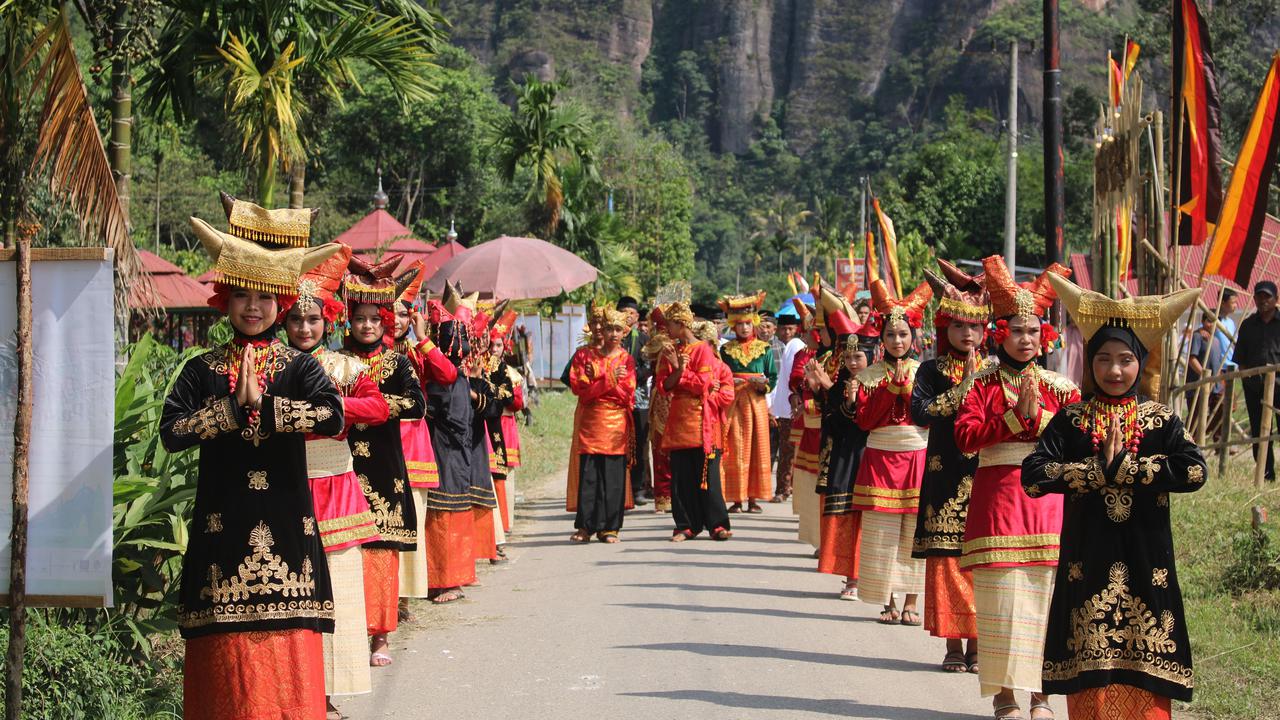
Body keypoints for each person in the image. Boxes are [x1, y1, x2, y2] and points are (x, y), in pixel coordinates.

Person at [162, 214, 345, 720]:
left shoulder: (300, 366)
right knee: (226, 652)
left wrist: (266, 409)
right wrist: (225, 411)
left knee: (290, 644)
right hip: (223, 530)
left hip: (287, 525)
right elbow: (171, 432)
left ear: (281, 302)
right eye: (243, 294)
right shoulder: (201, 369)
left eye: (265, 296)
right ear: (225, 298)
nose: (253, 306)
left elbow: (333, 416)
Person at [1024, 276, 1205, 720]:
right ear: (1089, 363)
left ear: (1141, 363)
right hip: (1087, 556)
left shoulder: (1161, 420)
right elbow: (1032, 475)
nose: (1114, 370)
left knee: (1144, 658)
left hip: (1147, 558)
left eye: (1125, 359)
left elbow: (1195, 470)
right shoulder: (1071, 420)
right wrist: (1091, 472)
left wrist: (1129, 468)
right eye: (1103, 359)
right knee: (1088, 662)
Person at [953, 256, 1078, 719]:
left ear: (1044, 335)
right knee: (1001, 602)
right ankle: (1005, 694)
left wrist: (1039, 419)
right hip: (996, 503)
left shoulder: (1062, 388)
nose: (1026, 339)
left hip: (1047, 505)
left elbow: (1079, 440)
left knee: (1045, 603)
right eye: (1017, 331)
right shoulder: (980, 383)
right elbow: (964, 439)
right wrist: (1010, 419)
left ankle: (1041, 697)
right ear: (999, 333)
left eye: (1033, 331)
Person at [282, 244, 389, 714]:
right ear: (283, 322)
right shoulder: (273, 367)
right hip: (287, 488)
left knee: (340, 591)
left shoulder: (346, 367)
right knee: (294, 591)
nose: (305, 328)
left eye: (313, 321)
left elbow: (381, 407)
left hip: (336, 487)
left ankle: (328, 693)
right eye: (296, 320)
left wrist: (334, 410)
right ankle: (298, 692)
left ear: (328, 322)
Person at [340, 256, 426, 668]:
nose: (368, 325)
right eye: (360, 318)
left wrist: (367, 407)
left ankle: (381, 636)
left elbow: (417, 403)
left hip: (385, 470)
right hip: (343, 465)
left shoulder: (396, 362)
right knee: (346, 552)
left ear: (386, 321)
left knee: (380, 553)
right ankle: (349, 633)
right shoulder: (334, 361)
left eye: (375, 318)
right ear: (349, 320)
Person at [912, 260, 988, 674]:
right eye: (959, 326)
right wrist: (961, 390)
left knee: (980, 559)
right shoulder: (930, 370)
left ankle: (979, 644)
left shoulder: (997, 369)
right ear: (946, 327)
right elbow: (920, 413)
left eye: (974, 327)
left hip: (985, 477)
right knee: (946, 560)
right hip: (944, 476)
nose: (967, 334)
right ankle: (953, 645)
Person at [850, 279, 934, 626]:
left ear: (913, 337)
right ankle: (889, 600)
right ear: (881, 340)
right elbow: (864, 421)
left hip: (916, 454)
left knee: (914, 532)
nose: (897, 341)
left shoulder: (926, 374)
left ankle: (912, 601)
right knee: (882, 532)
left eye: (903, 335)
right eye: (890, 335)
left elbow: (929, 417)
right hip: (881, 457)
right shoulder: (869, 375)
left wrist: (907, 392)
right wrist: (891, 392)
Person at [392, 262, 457, 618]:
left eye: (405, 314)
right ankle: (385, 594)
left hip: (414, 446)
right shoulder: (367, 353)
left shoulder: (418, 352)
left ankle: (404, 596)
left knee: (410, 521)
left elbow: (448, 374)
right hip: (377, 450)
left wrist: (424, 337)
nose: (398, 320)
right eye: (392, 313)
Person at [658, 302, 735, 541]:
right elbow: (664, 387)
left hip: (703, 420)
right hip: (679, 419)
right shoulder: (669, 351)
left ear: (681, 325)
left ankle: (717, 525)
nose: (666, 329)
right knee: (682, 478)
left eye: (669, 324)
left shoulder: (702, 349)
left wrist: (680, 372)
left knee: (708, 477)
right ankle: (685, 526)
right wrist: (677, 370)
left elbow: (705, 383)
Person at [815, 325, 877, 599]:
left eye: (858, 357)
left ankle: (874, 577)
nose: (852, 363)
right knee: (849, 517)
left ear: (872, 356)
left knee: (872, 519)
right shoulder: (840, 384)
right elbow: (831, 424)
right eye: (848, 357)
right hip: (846, 455)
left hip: (873, 454)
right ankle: (852, 578)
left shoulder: (880, 383)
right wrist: (841, 399)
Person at [569, 308, 637, 542]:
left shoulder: (626, 359)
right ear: (601, 330)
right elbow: (581, 391)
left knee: (613, 477)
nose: (613, 334)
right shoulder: (584, 357)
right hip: (591, 421)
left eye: (618, 329)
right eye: (609, 328)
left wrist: (599, 379)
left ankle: (610, 527)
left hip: (616, 424)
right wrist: (610, 378)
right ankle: (585, 527)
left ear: (624, 333)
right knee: (589, 476)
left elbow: (626, 394)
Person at [718, 291, 777, 514]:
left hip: (756, 402)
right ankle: (736, 498)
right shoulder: (725, 350)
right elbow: (721, 375)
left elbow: (772, 376)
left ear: (754, 324)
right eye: (740, 324)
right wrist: (729, 382)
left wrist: (763, 385)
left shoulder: (765, 349)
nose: (744, 328)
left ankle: (753, 498)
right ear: (733, 326)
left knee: (757, 447)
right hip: (733, 401)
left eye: (748, 324)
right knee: (734, 448)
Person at [1234, 280, 1280, 481]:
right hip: (1255, 387)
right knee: (1260, 433)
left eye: (1267, 297)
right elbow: (1240, 360)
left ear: (1276, 300)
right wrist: (1247, 379)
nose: (1263, 301)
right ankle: (1266, 474)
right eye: (1259, 296)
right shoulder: (1247, 325)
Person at [789, 301, 825, 550]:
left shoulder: (837, 357)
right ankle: (818, 538)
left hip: (831, 426)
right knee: (811, 481)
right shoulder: (805, 355)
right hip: (811, 422)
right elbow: (796, 380)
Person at [489, 312, 526, 542]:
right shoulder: (481, 368)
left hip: (505, 424)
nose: (494, 349)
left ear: (506, 346)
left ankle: (507, 521)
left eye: (499, 345)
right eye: (491, 345)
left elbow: (518, 403)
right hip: (489, 424)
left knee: (507, 476)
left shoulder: (512, 374)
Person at [618, 296, 653, 506]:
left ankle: (638, 488)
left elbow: (649, 367)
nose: (627, 316)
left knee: (640, 442)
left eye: (631, 313)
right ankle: (620, 488)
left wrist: (630, 375)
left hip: (638, 397)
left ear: (637, 316)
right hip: (615, 395)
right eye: (623, 312)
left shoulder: (643, 339)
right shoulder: (612, 337)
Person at [770, 313, 806, 502]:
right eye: (783, 328)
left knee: (790, 451)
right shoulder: (789, 347)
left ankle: (786, 488)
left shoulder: (797, 346)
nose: (787, 332)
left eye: (791, 328)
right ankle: (783, 488)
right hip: (786, 406)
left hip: (792, 406)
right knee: (787, 450)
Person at [644, 305, 676, 513]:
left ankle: (675, 495)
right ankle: (663, 496)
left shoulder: (686, 344)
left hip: (680, 399)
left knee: (677, 450)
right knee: (660, 449)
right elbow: (646, 352)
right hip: (661, 399)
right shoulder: (658, 344)